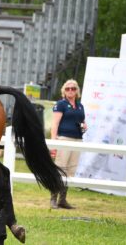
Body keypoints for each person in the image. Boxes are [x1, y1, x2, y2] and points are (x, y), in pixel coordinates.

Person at [49, 79, 87, 209]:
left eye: (73, 88)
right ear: (63, 91)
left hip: (77, 139)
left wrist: (84, 126)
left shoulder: (80, 106)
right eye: (68, 88)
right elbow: (54, 124)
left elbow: (83, 121)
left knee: (71, 170)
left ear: (77, 91)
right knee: (60, 168)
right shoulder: (61, 104)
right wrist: (54, 143)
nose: (70, 91)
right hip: (64, 139)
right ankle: (53, 199)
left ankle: (63, 200)